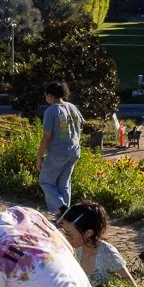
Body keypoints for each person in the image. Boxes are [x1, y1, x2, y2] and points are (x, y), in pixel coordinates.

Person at [37, 81, 84, 220]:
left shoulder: (51, 111)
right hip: (74, 150)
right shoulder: (72, 107)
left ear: (50, 95)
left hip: (58, 151)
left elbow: (47, 136)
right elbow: (81, 126)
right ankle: (64, 217)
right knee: (64, 184)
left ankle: (62, 209)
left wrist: (39, 157)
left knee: (45, 182)